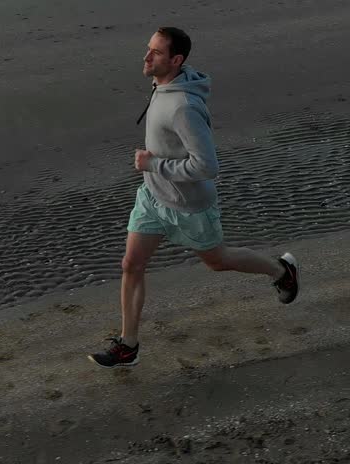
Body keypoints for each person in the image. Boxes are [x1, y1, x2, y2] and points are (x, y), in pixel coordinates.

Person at [89, 27, 299, 368]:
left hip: (189, 207)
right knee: (131, 265)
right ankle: (128, 345)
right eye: (148, 49)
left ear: (177, 60)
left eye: (155, 53)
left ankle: (281, 271)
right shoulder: (163, 83)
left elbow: (207, 166)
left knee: (217, 261)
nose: (146, 57)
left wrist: (154, 163)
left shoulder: (184, 107)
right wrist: (154, 171)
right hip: (153, 199)